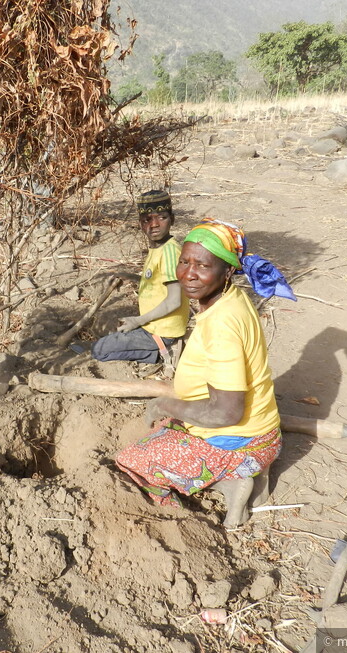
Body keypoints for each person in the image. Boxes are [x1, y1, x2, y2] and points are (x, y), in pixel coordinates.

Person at [114, 218, 295, 526]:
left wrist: (164, 403)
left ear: (227, 272)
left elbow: (226, 414)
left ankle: (184, 522)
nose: (189, 274)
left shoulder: (222, 324)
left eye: (202, 266)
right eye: (184, 262)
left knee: (129, 463)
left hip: (241, 441)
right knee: (165, 431)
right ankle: (235, 481)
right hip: (259, 433)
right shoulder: (231, 301)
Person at [91, 190, 191, 365]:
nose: (154, 225)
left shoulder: (169, 252)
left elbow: (174, 301)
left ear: (172, 220)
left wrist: (137, 321)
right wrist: (127, 276)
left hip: (161, 331)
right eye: (147, 220)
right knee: (109, 339)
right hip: (153, 326)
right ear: (140, 224)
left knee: (99, 350)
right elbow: (157, 281)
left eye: (161, 218)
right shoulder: (159, 248)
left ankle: (159, 353)